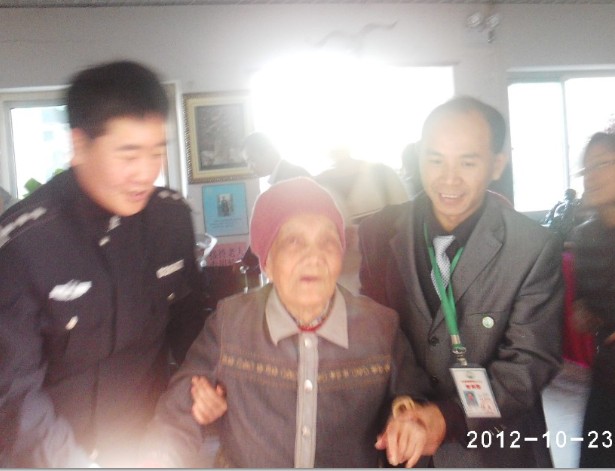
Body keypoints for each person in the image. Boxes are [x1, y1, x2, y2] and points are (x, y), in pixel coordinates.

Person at [141, 177, 442, 468]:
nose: (314, 257)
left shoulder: (380, 328)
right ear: (267, 261)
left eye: (327, 241)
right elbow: (177, 417)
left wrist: (407, 421)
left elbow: (414, 403)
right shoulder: (229, 323)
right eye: (294, 241)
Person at [0, 60, 206, 467]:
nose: (145, 174)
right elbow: (14, 392)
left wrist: (185, 416)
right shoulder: (26, 243)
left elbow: (193, 337)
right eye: (128, 154)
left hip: (154, 445)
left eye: (156, 152)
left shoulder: (171, 220)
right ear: (79, 146)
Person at [358, 96, 564, 467]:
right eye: (435, 159)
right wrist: (401, 401)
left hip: (493, 451)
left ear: (496, 164)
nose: (448, 178)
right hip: (402, 445)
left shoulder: (531, 247)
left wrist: (447, 417)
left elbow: (529, 363)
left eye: (467, 162)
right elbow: (372, 335)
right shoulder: (378, 232)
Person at [572, 132, 615, 467]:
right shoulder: (587, 236)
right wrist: (584, 314)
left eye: (602, 164)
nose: (592, 177)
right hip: (608, 373)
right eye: (587, 169)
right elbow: (587, 308)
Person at [242, 131, 310, 187]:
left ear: (268, 152)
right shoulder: (285, 174)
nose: (249, 167)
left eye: (252, 160)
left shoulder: (293, 176)